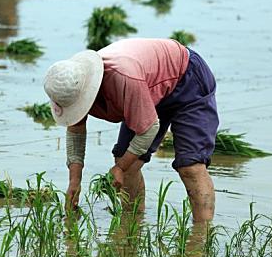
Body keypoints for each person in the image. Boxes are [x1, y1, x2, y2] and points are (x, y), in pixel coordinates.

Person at [43, 38, 219, 223]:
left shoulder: (123, 80)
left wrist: (119, 168)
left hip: (186, 78)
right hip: (146, 85)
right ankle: (131, 227)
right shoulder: (71, 86)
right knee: (126, 161)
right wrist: (74, 180)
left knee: (190, 166)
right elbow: (76, 129)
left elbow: (149, 129)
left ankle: (201, 237)